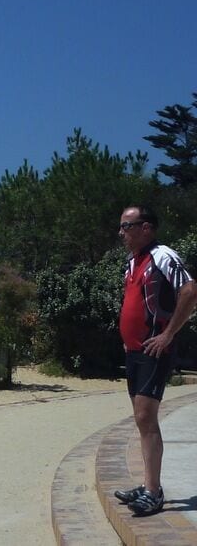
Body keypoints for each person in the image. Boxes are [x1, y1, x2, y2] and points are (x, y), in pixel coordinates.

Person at [118, 207, 197, 517]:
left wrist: (168, 335)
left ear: (146, 227)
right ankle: (148, 483)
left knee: (145, 417)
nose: (121, 233)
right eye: (121, 227)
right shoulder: (132, 262)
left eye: (127, 226)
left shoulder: (163, 256)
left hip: (154, 351)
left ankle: (154, 492)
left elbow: (190, 291)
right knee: (142, 420)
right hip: (134, 352)